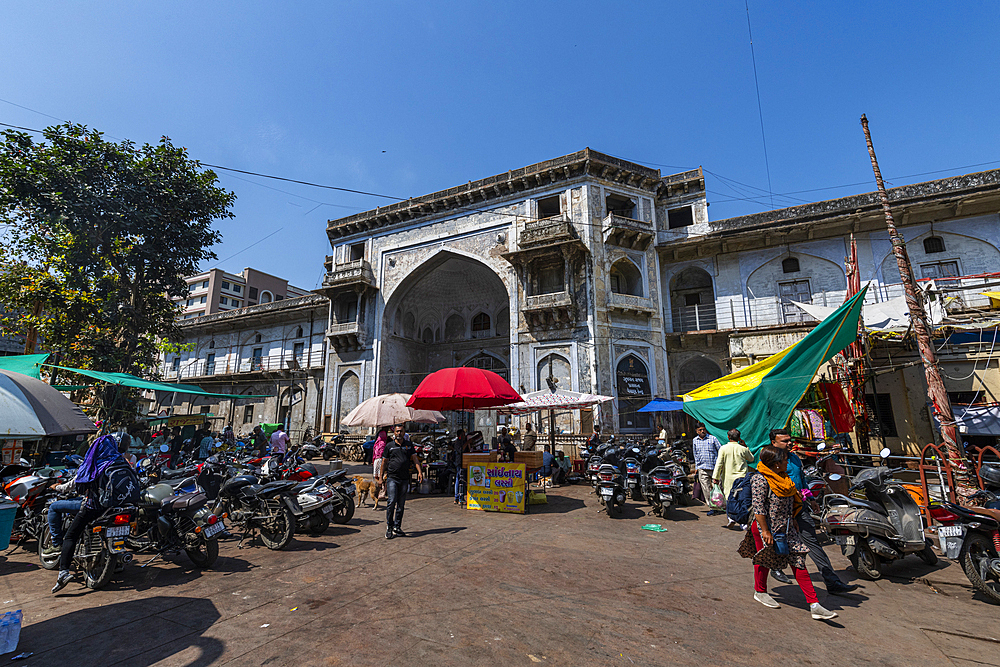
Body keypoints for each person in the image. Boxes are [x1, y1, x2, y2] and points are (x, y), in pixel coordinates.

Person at [748, 445, 838, 620]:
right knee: (764, 560)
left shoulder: (784, 478)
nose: (786, 463)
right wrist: (765, 531)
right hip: (765, 528)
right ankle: (760, 591)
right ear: (775, 464)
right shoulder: (761, 480)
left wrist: (794, 519)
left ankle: (814, 604)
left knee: (798, 561)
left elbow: (790, 502)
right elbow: (759, 508)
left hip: (787, 527)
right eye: (783, 461)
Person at [768, 428, 858, 594]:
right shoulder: (771, 462)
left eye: (789, 440)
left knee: (813, 543)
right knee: (780, 541)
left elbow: (802, 480)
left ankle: (832, 581)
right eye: (784, 441)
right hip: (781, 510)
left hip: (801, 507)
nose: (789, 443)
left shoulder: (794, 458)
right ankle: (774, 567)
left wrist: (811, 500)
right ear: (773, 443)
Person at [51, 434, 136, 593]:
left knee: (71, 536)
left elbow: (76, 484)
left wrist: (58, 487)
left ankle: (63, 572)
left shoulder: (94, 463)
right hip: (118, 507)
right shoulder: (121, 461)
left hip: (94, 507)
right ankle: (115, 563)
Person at [380, 424, 424, 539]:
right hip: (392, 478)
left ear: (404, 433)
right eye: (397, 431)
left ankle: (397, 526)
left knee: (401, 504)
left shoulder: (408, 445)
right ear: (394, 433)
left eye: (401, 431)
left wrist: (419, 472)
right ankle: (389, 526)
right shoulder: (389, 446)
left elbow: (415, 459)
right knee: (391, 501)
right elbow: (384, 462)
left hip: (404, 478)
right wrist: (380, 477)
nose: (399, 433)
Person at [713, 428, 754, 528]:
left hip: (729, 478)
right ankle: (743, 521)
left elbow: (719, 464)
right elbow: (751, 459)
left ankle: (731, 517)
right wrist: (746, 446)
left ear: (728, 437)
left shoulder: (723, 448)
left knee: (730, 498)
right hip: (742, 478)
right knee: (743, 498)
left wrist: (715, 477)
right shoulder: (743, 449)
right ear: (739, 438)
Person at [692, 423, 722, 515]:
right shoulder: (695, 440)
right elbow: (695, 454)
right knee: (706, 489)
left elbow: (720, 451)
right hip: (702, 468)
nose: (702, 431)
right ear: (696, 431)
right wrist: (697, 467)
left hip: (714, 468)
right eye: (700, 430)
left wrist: (720, 466)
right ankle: (712, 507)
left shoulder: (713, 439)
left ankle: (720, 505)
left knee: (718, 487)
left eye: (703, 429)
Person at [452, 430, 470, 504]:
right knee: (460, 479)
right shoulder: (458, 442)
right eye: (463, 434)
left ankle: (458, 497)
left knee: (460, 479)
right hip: (459, 462)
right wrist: (466, 443)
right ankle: (459, 497)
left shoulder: (463, 441)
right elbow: (461, 450)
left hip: (464, 462)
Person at [372, 428, 389, 499]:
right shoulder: (383, 443)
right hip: (381, 461)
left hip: (376, 460)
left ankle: (376, 492)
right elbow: (383, 454)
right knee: (382, 477)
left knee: (378, 477)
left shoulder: (377, 442)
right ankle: (382, 493)